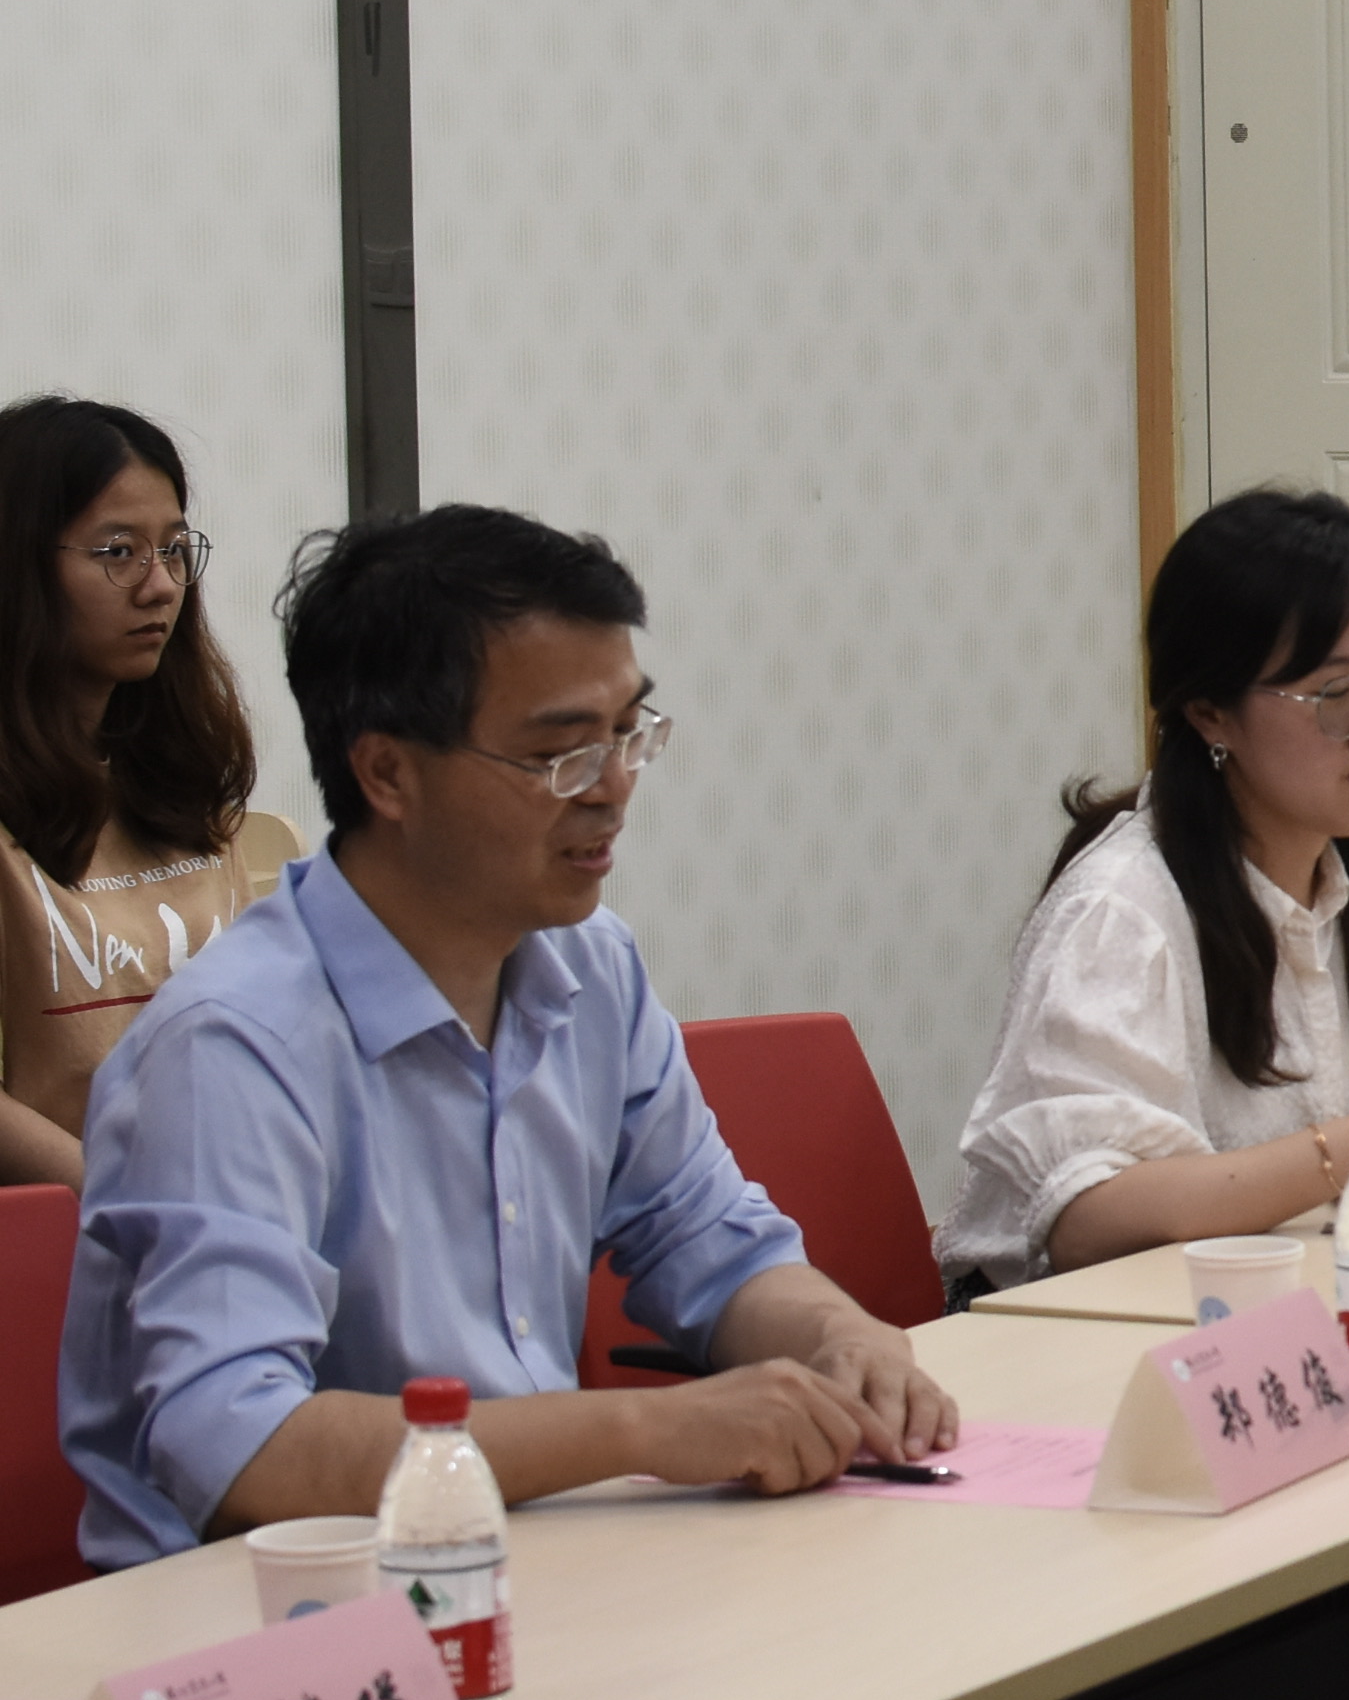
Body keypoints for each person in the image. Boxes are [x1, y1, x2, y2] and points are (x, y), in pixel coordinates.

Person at [62, 506, 956, 1567]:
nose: (614, 789)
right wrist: (641, 1429)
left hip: (523, 1565)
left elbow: (709, 1243)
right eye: (562, 755)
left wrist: (840, 1337)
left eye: (630, 734)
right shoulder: (233, 1045)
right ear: (388, 774)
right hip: (274, 1615)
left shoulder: (589, 966)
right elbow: (243, 1450)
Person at [943, 490, 1349, 1288]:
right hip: (1079, 1326)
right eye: (1336, 695)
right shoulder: (1122, 911)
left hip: (1272, 1294)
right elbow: (1090, 1220)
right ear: (1210, 713)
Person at [0, 396, 305, 1188]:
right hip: (68, 1224)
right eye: (118, 552)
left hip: (227, 1200)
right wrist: (134, 1200)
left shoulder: (180, 775)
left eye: (174, 550)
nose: (161, 586)